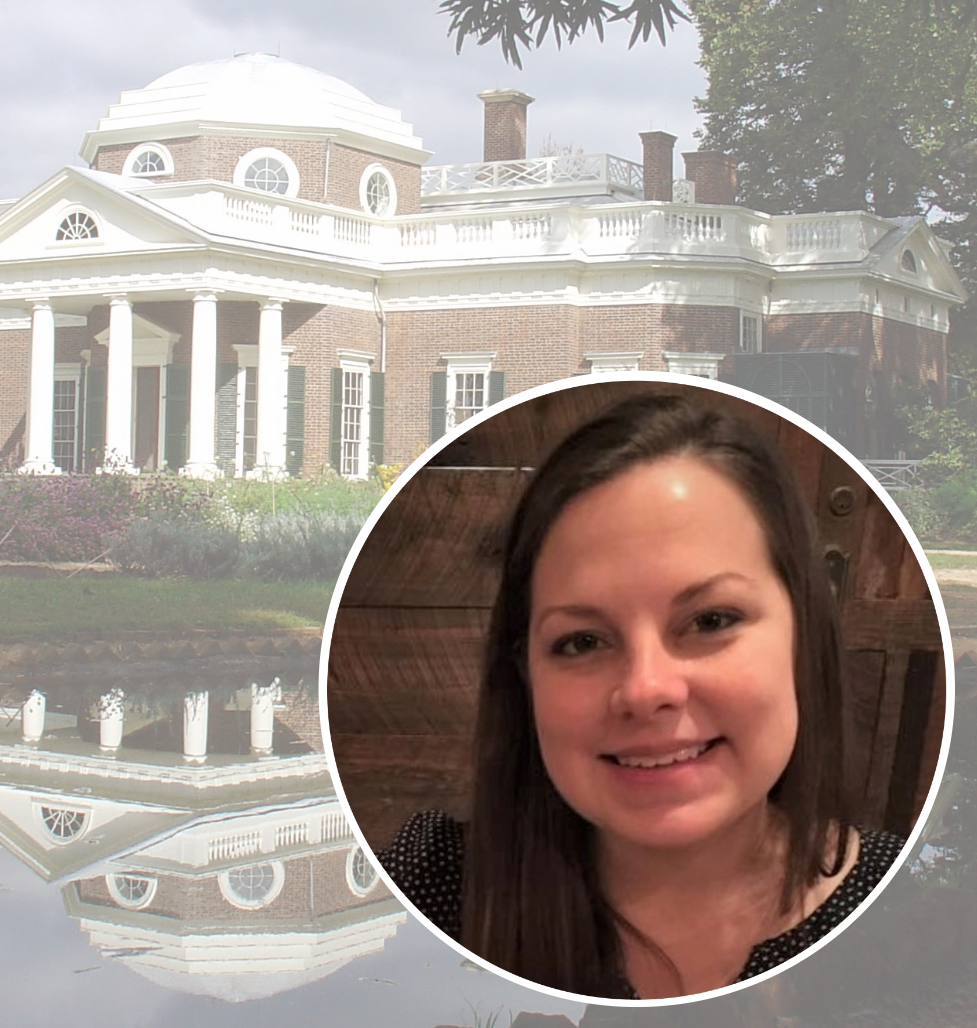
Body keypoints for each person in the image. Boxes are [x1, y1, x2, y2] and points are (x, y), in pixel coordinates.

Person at [377, 391, 907, 999]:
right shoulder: (430, 889)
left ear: (802, 636)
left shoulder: (912, 913)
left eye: (710, 620)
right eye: (581, 642)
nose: (646, 689)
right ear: (525, 673)